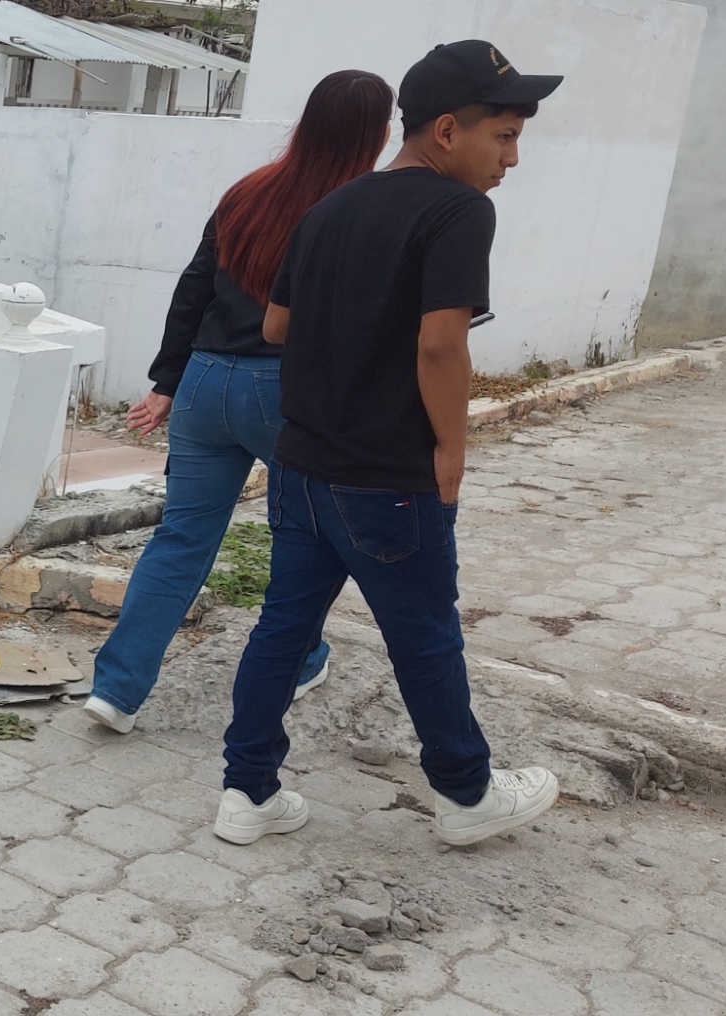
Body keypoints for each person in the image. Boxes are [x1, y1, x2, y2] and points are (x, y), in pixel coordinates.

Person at [212, 40, 564, 848]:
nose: (511, 159)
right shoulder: (459, 211)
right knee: (426, 635)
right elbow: (441, 345)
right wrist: (452, 452)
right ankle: (468, 795)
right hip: (386, 476)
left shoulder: (330, 207)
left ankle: (247, 792)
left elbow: (277, 324)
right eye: (503, 137)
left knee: (282, 629)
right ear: (447, 130)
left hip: (302, 466)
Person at [83, 70, 395, 736]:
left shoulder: (246, 192)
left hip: (205, 381)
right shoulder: (360, 208)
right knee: (308, 540)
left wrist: (166, 382)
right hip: (287, 391)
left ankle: (116, 688)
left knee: (180, 538)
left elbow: (194, 288)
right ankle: (298, 662)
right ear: (377, 133)